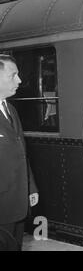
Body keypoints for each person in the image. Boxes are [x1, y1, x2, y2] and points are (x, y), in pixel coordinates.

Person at [0, 54, 38, 251]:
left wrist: (30, 187)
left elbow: (21, 153)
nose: (20, 80)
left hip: (16, 202)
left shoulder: (11, 110)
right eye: (13, 75)